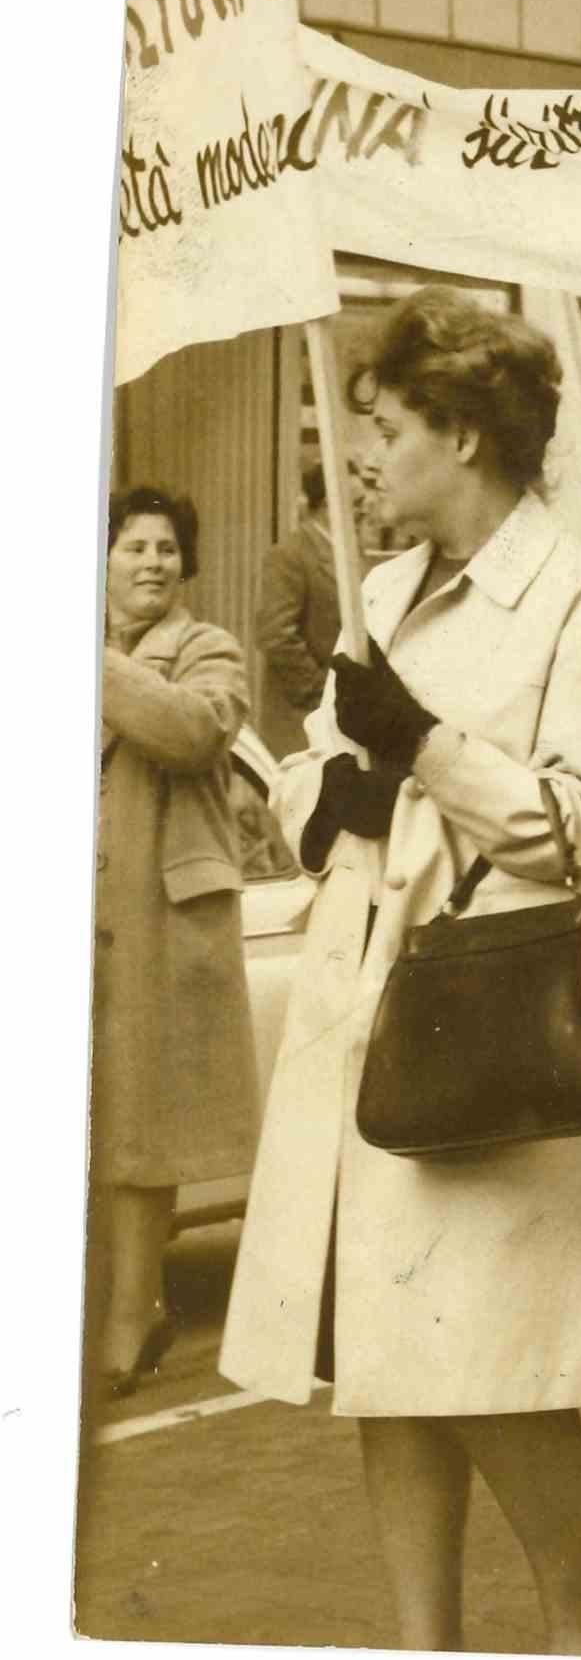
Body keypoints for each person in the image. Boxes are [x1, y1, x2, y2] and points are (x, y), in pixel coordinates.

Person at [219, 288, 581, 1656]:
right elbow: (317, 773)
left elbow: (580, 824)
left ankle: (578, 1629)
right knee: (392, 1361)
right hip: (371, 1013)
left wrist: (418, 747)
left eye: (388, 426)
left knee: (496, 1368)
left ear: (467, 437)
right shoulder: (382, 588)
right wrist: (340, 787)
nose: (364, 455)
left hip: (497, 1028)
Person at [93, 487, 259, 1397]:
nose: (152, 562)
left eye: (167, 549)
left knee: (139, 1119)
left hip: (157, 912)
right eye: (133, 546)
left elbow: (190, 731)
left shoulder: (207, 648)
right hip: (74, 909)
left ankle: (135, 1311)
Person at [254, 462, 345, 761]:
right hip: (299, 721)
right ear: (331, 502)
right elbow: (275, 636)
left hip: (336, 724)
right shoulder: (290, 555)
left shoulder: (348, 556)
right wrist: (323, 692)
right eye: (357, 503)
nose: (366, 510)